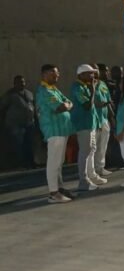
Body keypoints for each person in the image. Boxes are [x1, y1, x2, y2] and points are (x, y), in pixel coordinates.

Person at [35, 64, 76, 203]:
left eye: (57, 73)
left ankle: (59, 188)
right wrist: (67, 105)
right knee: (53, 162)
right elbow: (61, 106)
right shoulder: (44, 91)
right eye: (53, 73)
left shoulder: (54, 89)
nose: (57, 76)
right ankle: (53, 193)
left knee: (59, 162)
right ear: (44, 75)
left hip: (62, 129)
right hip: (54, 130)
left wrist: (67, 105)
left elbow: (68, 102)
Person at [70, 64, 106, 192]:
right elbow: (87, 105)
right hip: (83, 124)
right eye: (90, 73)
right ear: (81, 75)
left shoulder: (86, 86)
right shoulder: (77, 87)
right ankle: (83, 181)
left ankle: (91, 176)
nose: (93, 76)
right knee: (85, 152)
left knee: (91, 150)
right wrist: (93, 90)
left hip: (91, 124)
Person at [0, 75, 36, 168]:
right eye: (19, 82)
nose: (22, 84)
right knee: (18, 144)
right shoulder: (9, 95)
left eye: (23, 82)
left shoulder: (29, 93)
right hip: (16, 124)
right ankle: (20, 164)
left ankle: (30, 162)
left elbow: (33, 106)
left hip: (29, 123)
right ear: (14, 84)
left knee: (29, 143)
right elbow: (2, 108)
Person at [93, 64, 113, 177]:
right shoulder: (89, 85)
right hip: (94, 120)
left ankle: (100, 167)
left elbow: (108, 101)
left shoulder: (103, 84)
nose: (107, 73)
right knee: (94, 146)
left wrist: (112, 116)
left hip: (104, 119)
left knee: (103, 145)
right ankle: (92, 170)